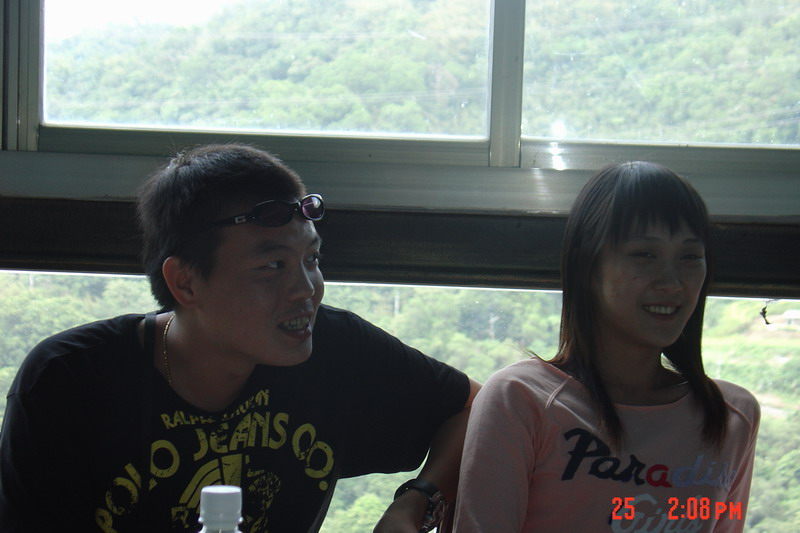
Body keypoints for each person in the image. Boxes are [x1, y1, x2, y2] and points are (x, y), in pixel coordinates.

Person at [0, 144, 480, 533]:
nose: (306, 290)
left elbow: (478, 408)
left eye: (311, 260)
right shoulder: (71, 379)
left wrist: (417, 500)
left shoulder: (335, 348)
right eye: (271, 265)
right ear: (185, 282)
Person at [452, 161, 760, 533]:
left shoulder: (731, 416)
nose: (672, 282)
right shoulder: (521, 399)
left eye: (690, 257)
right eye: (644, 254)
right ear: (588, 264)